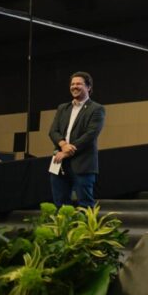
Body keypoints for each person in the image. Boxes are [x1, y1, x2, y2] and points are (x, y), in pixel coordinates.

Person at [48, 71, 105, 208]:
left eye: (79, 84)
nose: (74, 86)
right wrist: (63, 145)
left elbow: (90, 135)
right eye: (72, 84)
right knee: (60, 205)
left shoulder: (97, 109)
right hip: (59, 163)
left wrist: (67, 152)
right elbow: (53, 131)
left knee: (85, 205)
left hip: (83, 163)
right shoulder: (62, 108)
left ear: (88, 87)